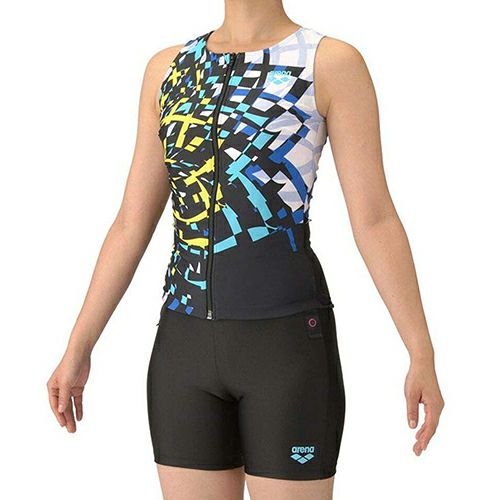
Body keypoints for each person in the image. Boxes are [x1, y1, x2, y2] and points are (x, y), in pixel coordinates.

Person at [47, 1, 445, 498]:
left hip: (285, 349)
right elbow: (131, 223)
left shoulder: (328, 62)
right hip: (183, 349)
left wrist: (420, 351)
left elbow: (374, 218)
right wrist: (79, 346)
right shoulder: (168, 69)